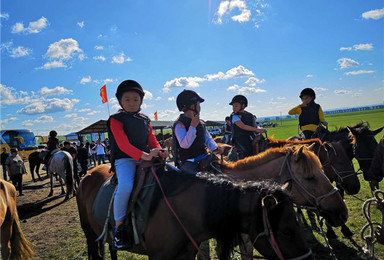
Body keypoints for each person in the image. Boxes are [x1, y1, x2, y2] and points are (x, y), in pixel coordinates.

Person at [107, 79, 167, 249]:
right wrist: (145, 156)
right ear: (120, 101)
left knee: (172, 174)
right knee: (125, 187)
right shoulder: (115, 119)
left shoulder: (145, 119)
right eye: (127, 99)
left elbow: (152, 140)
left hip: (144, 157)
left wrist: (160, 150)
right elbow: (123, 144)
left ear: (141, 101)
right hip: (124, 159)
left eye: (135, 99)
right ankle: (119, 229)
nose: (132, 103)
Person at [173, 89, 224, 174]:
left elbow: (207, 138)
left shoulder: (200, 123)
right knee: (193, 183)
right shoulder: (179, 124)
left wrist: (215, 148)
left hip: (204, 157)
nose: (200, 107)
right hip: (189, 162)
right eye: (198, 104)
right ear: (193, 106)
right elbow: (185, 144)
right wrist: (192, 126)